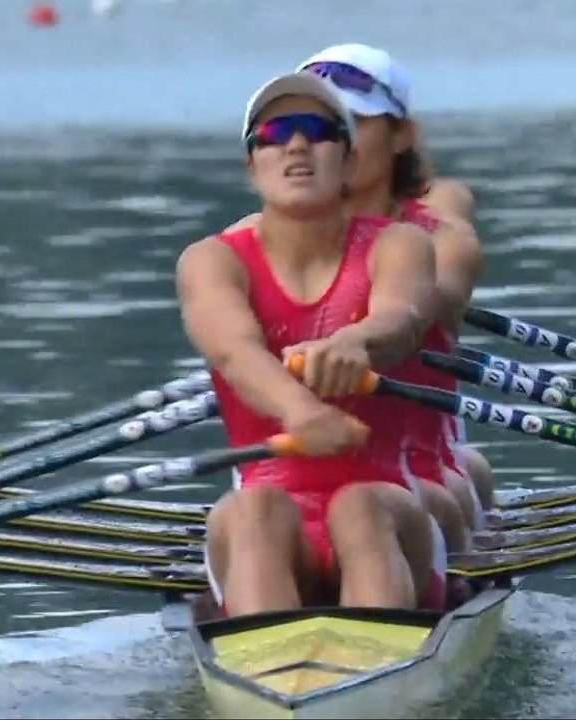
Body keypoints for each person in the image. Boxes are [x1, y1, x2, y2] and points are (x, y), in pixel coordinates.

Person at [176, 70, 448, 616]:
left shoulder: (399, 244)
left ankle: (377, 674)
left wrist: (357, 341)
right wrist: (302, 412)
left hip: (387, 502)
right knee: (252, 510)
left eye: (316, 129)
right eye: (274, 133)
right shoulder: (212, 260)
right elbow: (233, 351)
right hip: (268, 511)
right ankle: (269, 680)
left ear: (348, 163)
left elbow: (403, 316)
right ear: (253, 165)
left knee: (358, 508)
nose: (295, 143)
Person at [224, 44, 498, 553]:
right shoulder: (239, 246)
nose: (315, 144)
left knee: (461, 483)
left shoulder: (441, 241)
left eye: (347, 123)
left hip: (412, 479)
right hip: (278, 484)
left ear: (401, 136)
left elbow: (408, 316)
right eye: (297, 128)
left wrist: (359, 333)